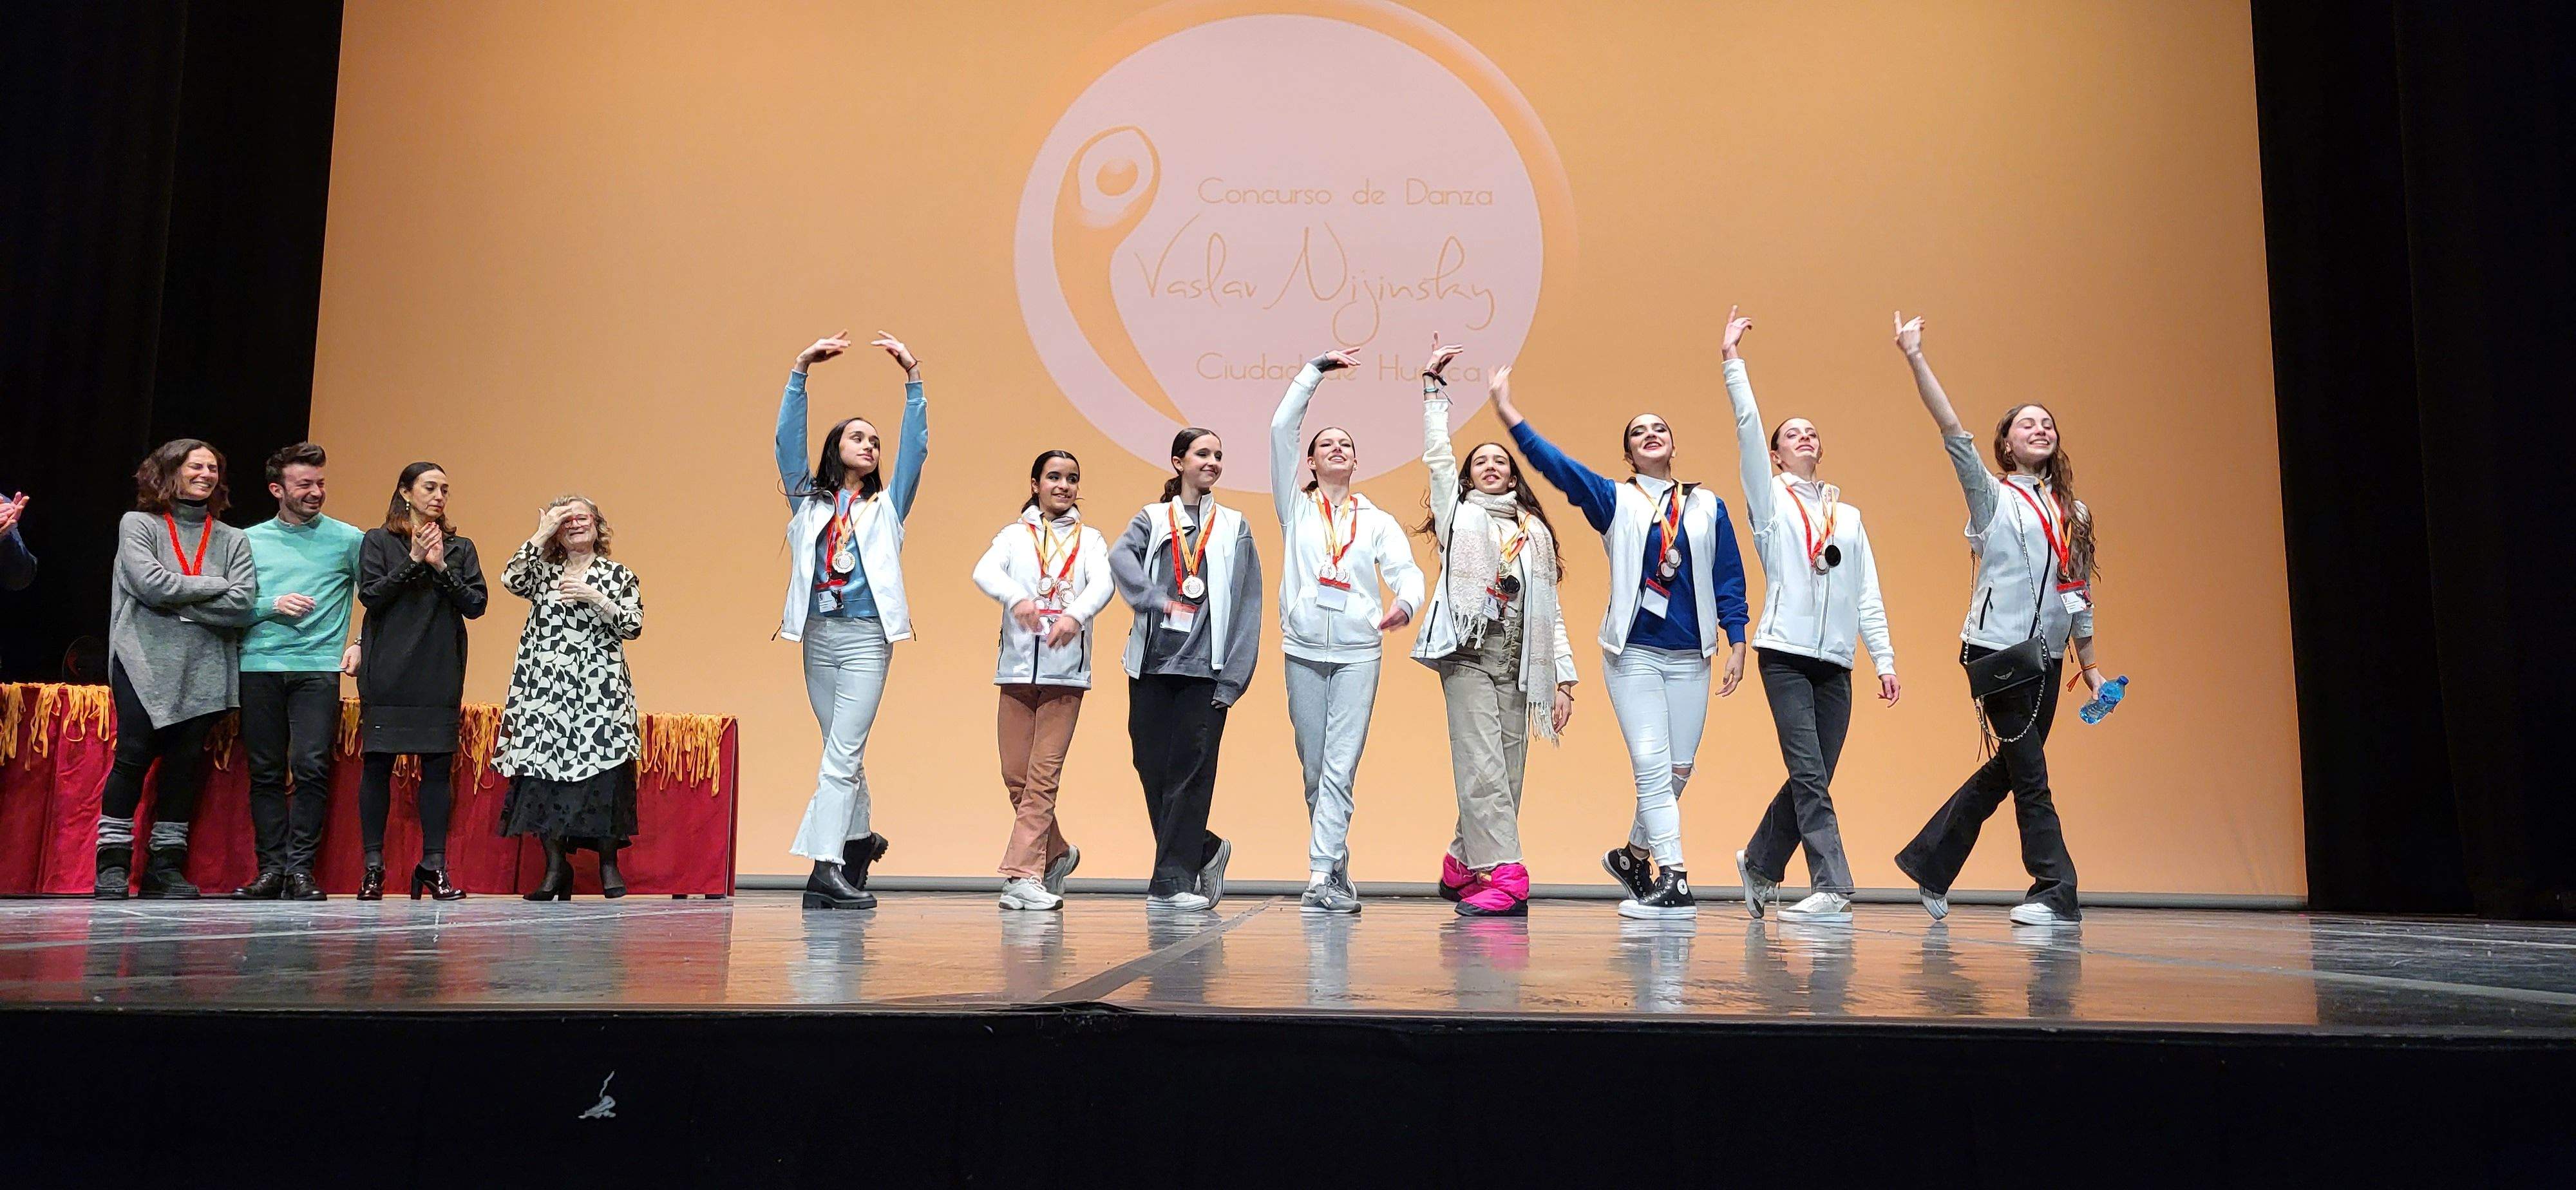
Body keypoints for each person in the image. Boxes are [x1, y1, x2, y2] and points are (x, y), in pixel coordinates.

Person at [1493, 363, 1750, 920]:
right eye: (1638, 432)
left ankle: (1634, 856)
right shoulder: (1615, 499)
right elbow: (1557, 468)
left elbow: (1729, 574)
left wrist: (1737, 639)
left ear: (1673, 444)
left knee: (1678, 771)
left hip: (1691, 657)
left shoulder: (1708, 505)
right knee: (1653, 768)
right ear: (1629, 455)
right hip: (1632, 656)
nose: (1651, 434)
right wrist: (1510, 415)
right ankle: (1675, 878)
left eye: (1659, 428)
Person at [1888, 312, 2107, 927]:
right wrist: (1915, 357)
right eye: (2025, 423)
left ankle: (1931, 862)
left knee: (2011, 768)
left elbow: (2079, 591)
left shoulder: (2074, 512)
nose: (2039, 428)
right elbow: (1952, 430)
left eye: (2048, 422)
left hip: (2050, 658)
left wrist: (2090, 665)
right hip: (1997, 653)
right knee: (2032, 776)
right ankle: (2054, 889)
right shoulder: (1991, 494)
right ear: (2006, 443)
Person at [1715, 309, 1900, 925]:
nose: (1806, 439)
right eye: (1793, 434)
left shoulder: (1846, 517)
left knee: (1814, 775)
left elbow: (1866, 590)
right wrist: (1733, 364)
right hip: (1786, 655)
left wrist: (1885, 657)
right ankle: (1832, 886)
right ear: (1774, 453)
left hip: (1837, 662)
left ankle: (1762, 863)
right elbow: (1746, 432)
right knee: (1810, 774)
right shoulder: (1770, 505)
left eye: (1813, 433)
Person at [1412, 340, 1577, 918]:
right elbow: (1437, 460)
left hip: (1520, 658)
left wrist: (1563, 680)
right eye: (1480, 461)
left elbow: (1549, 612)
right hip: (1469, 652)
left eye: (1500, 461)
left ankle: (1461, 862)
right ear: (1468, 476)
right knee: (1482, 763)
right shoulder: (1460, 516)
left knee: (1505, 771)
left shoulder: (1533, 532)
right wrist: (1435, 393)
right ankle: (1506, 874)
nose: (1490, 466)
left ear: (1513, 476)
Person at [1269, 350, 1426, 914]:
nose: (1338, 449)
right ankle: (1334, 860)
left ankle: (1318, 877)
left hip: (1360, 651)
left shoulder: (1376, 520)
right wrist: (1312, 372)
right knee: (1315, 766)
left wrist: (1405, 604)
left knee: (1341, 765)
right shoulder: (1295, 508)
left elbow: (1408, 572)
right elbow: (1281, 426)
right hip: (1303, 649)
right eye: (1327, 444)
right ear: (1308, 461)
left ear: (1356, 461)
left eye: (1347, 445)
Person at [775, 330, 926, 911]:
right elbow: (786, 444)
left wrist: (913, 380)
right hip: (818, 636)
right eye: (858, 437)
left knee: (839, 757)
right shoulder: (808, 503)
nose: (870, 445)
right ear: (835, 446)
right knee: (842, 752)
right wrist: (800, 370)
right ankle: (861, 839)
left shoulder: (887, 507)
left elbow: (917, 447)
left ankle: (828, 866)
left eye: (876, 441)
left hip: (866, 639)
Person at [96, 441, 258, 898]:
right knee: (132, 757)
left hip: (205, 666)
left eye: (213, 468)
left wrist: (183, 605)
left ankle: (164, 868)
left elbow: (243, 602)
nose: (206, 474)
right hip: (143, 662)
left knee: (184, 768)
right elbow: (150, 585)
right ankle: (112, 863)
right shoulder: (140, 525)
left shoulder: (233, 539)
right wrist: (215, 587)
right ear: (170, 472)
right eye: (196, 467)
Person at [1108, 428, 1262, 912]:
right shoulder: (1154, 519)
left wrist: (1234, 676)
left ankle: (1172, 882)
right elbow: (1119, 558)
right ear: (1178, 462)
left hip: (1206, 672)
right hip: (1152, 666)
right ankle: (1204, 850)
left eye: (1219, 454)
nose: (1213, 461)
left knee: (1190, 776)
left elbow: (1248, 603)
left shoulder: (1235, 525)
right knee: (1152, 768)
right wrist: (1156, 600)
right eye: (1202, 453)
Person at [971, 450, 1114, 911]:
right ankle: (1056, 852)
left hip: (1065, 673)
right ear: (1035, 484)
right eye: (1054, 477)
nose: (1064, 486)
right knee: (1017, 777)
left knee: (1042, 778)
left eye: (1072, 478)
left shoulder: (1090, 539)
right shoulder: (1013, 537)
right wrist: (1016, 598)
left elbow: (1104, 584)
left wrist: (1075, 615)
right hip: (1015, 669)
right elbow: (984, 571)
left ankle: (1023, 876)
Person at [233, 442, 365, 902]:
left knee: (310, 767)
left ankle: (301, 870)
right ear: (277, 489)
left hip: (317, 668)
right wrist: (270, 605)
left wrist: (360, 643)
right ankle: (270, 868)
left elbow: (380, 598)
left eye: (321, 483)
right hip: (259, 666)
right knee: (266, 771)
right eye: (304, 484)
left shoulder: (348, 539)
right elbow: (227, 605)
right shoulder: (246, 540)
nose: (315, 492)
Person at [497, 496, 645, 900]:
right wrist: (541, 532)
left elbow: (633, 626)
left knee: (605, 777)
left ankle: (608, 865)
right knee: (544, 780)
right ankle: (555, 868)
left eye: (583, 517)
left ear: (598, 524)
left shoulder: (618, 574)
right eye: (566, 520)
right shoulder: (543, 573)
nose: (576, 524)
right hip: (545, 693)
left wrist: (596, 598)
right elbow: (511, 579)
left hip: (600, 694)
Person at [355, 461, 488, 901]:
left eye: (445, 490)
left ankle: (434, 865)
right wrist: (414, 562)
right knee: (377, 765)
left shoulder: (460, 547)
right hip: (388, 671)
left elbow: (475, 604)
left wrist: (441, 567)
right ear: (406, 493)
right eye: (430, 487)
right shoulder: (378, 541)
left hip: (438, 670)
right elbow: (372, 595)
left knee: (436, 767)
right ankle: (374, 868)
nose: (439, 496)